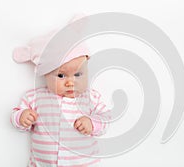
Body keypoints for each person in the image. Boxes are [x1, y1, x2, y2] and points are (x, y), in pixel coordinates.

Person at [10, 15, 110, 167]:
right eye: (61, 76)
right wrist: (21, 117)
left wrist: (92, 123)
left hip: (83, 163)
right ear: (46, 75)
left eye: (78, 74)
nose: (70, 82)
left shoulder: (91, 97)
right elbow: (16, 115)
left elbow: (106, 119)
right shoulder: (35, 97)